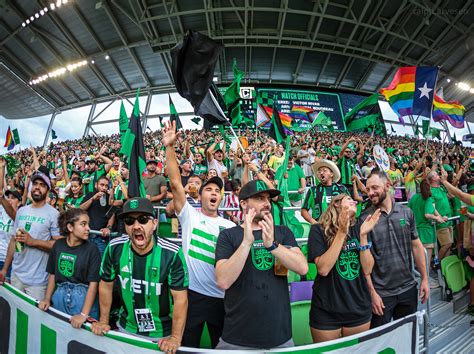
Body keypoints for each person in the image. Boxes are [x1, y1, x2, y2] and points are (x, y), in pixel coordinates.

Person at [164, 121, 235, 348]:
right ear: (200, 196)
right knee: (187, 346)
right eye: (209, 189)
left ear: (221, 198)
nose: (214, 192)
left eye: (217, 190)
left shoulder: (230, 225)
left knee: (222, 348)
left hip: (223, 299)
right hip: (192, 295)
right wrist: (170, 147)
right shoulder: (189, 215)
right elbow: (175, 183)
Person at [215, 180, 308, 350]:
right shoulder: (228, 236)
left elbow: (302, 267)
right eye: (259, 198)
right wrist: (246, 243)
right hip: (237, 337)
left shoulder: (282, 232)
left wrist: (273, 245)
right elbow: (223, 281)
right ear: (243, 203)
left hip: (279, 336)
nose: (266, 203)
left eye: (268, 198)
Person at [91, 197, 188, 354]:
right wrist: (103, 321)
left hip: (162, 337)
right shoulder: (114, 248)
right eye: (129, 221)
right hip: (126, 328)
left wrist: (175, 338)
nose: (136, 226)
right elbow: (105, 285)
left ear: (155, 224)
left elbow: (180, 299)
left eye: (143, 219)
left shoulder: (172, 253)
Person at [308, 194, 380, 342]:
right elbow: (323, 269)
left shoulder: (360, 228)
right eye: (348, 199)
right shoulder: (317, 230)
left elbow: (367, 269)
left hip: (357, 305)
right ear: (336, 204)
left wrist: (364, 236)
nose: (354, 201)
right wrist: (342, 232)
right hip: (327, 308)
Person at [363, 170, 429, 328]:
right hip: (381, 294)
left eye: (374, 188)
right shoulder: (365, 219)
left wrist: (425, 278)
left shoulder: (406, 213)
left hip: (408, 289)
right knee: (380, 345)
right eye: (367, 189)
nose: (370, 193)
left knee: (408, 338)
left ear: (387, 186)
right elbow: (364, 263)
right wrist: (372, 293)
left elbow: (417, 246)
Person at [1, 172, 61, 300]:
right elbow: (13, 241)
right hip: (16, 275)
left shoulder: (54, 214)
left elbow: (58, 245)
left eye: (42, 185)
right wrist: (5, 269)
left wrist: (33, 241)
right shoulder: (22, 211)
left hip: (37, 282)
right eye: (35, 184)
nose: (37, 187)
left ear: (48, 190)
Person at [38, 209, 101, 328]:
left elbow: (94, 284)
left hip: (82, 300)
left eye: (88, 224)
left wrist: (83, 315)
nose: (88, 228)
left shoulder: (92, 249)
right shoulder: (58, 245)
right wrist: (47, 298)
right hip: (59, 298)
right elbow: (52, 274)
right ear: (70, 227)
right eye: (83, 224)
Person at [408, 179, 447, 287]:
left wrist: (439, 217)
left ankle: (423, 280)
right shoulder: (428, 199)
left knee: (419, 259)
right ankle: (426, 282)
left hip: (415, 231)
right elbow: (427, 214)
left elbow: (408, 210)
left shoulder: (414, 197)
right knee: (426, 260)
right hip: (426, 232)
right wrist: (437, 218)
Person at [302, 159, 348, 224]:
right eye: (319, 171)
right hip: (320, 228)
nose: (321, 173)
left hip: (338, 226)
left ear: (331, 174)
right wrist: (314, 223)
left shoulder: (342, 189)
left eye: (324, 170)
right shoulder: (313, 190)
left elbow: (349, 206)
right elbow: (304, 210)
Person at [80, 175, 114, 255]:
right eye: (102, 185)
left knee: (100, 262)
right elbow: (80, 210)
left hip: (101, 237)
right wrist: (92, 199)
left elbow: (112, 215)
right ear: (96, 185)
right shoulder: (89, 195)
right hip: (87, 235)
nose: (104, 188)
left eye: (106, 186)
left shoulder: (109, 198)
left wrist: (108, 228)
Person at [427, 171, 453, 261]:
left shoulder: (442, 187)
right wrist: (440, 218)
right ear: (433, 179)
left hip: (449, 219)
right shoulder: (430, 191)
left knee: (448, 246)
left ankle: (445, 267)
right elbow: (433, 208)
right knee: (447, 244)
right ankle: (436, 263)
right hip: (441, 223)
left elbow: (452, 195)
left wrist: (445, 182)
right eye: (437, 175)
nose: (439, 176)